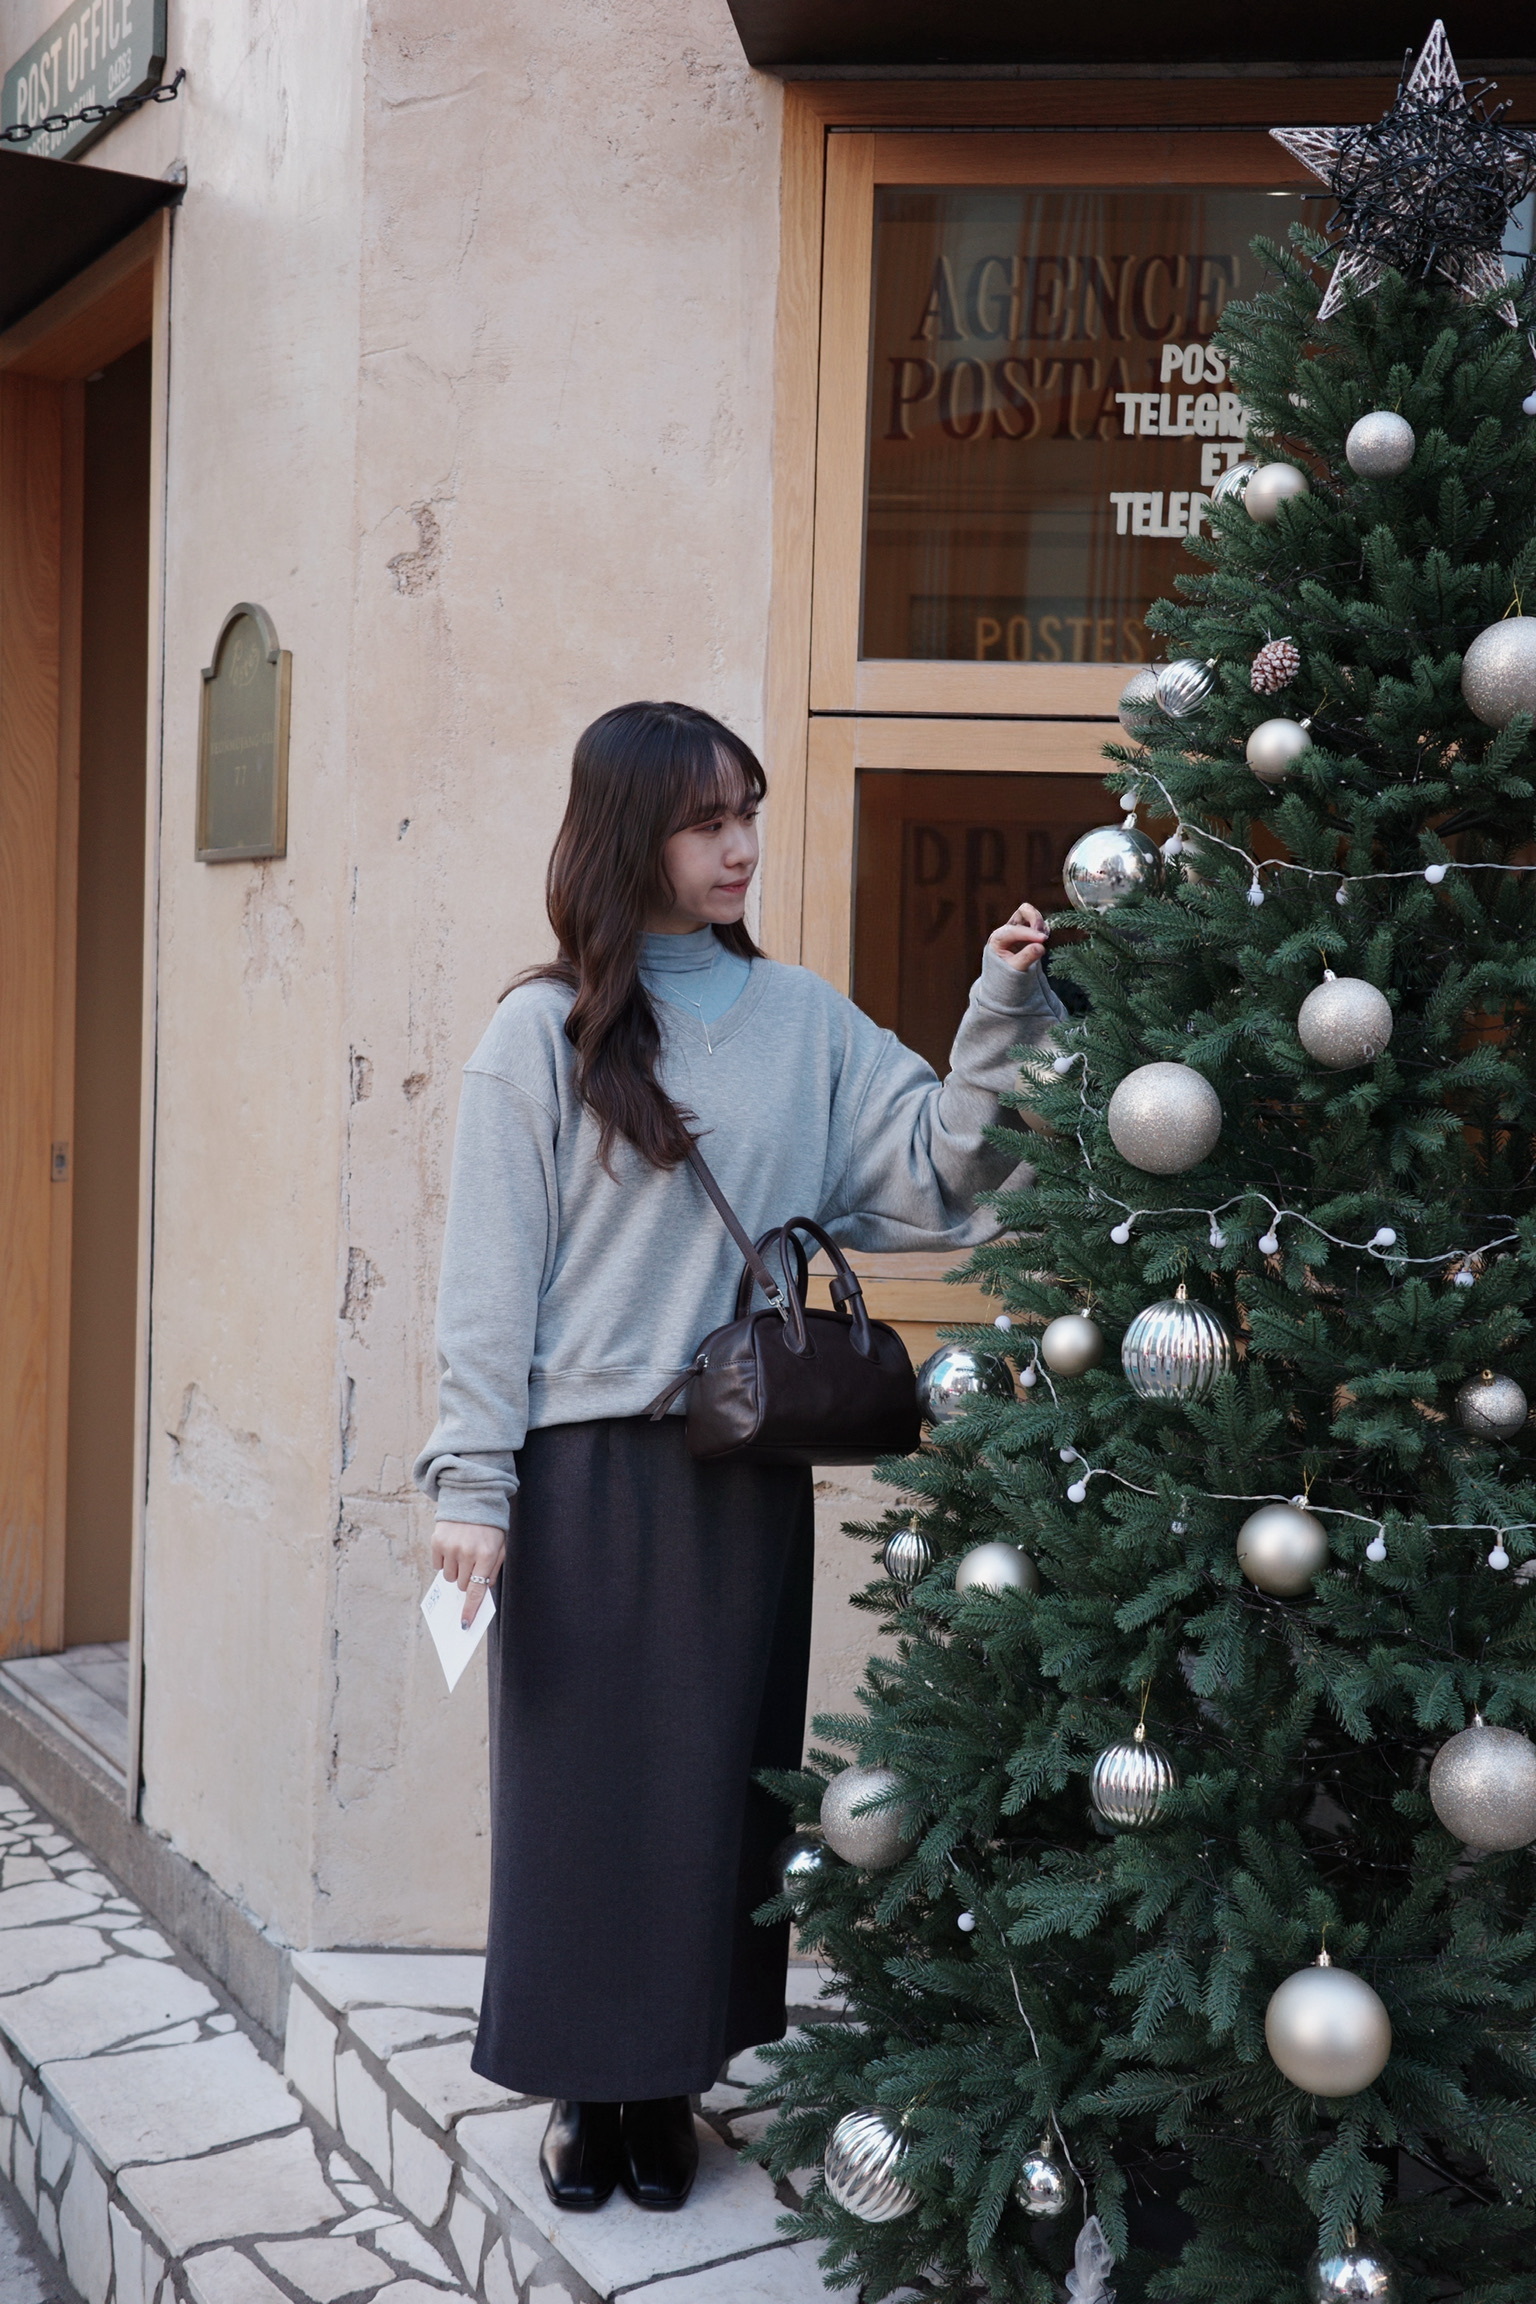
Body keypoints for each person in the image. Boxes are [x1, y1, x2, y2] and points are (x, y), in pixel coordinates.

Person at [414, 700, 1064, 2216]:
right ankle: (586, 2087)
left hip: (742, 1466)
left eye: (749, 814)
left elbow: (944, 1170)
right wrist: (472, 1487)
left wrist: (1000, 1004)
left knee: (717, 1794)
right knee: (583, 1803)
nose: (741, 848)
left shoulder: (804, 1021)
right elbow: (487, 1283)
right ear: (628, 835)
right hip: (584, 1480)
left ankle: (671, 2083)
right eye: (708, 821)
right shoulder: (540, 1036)